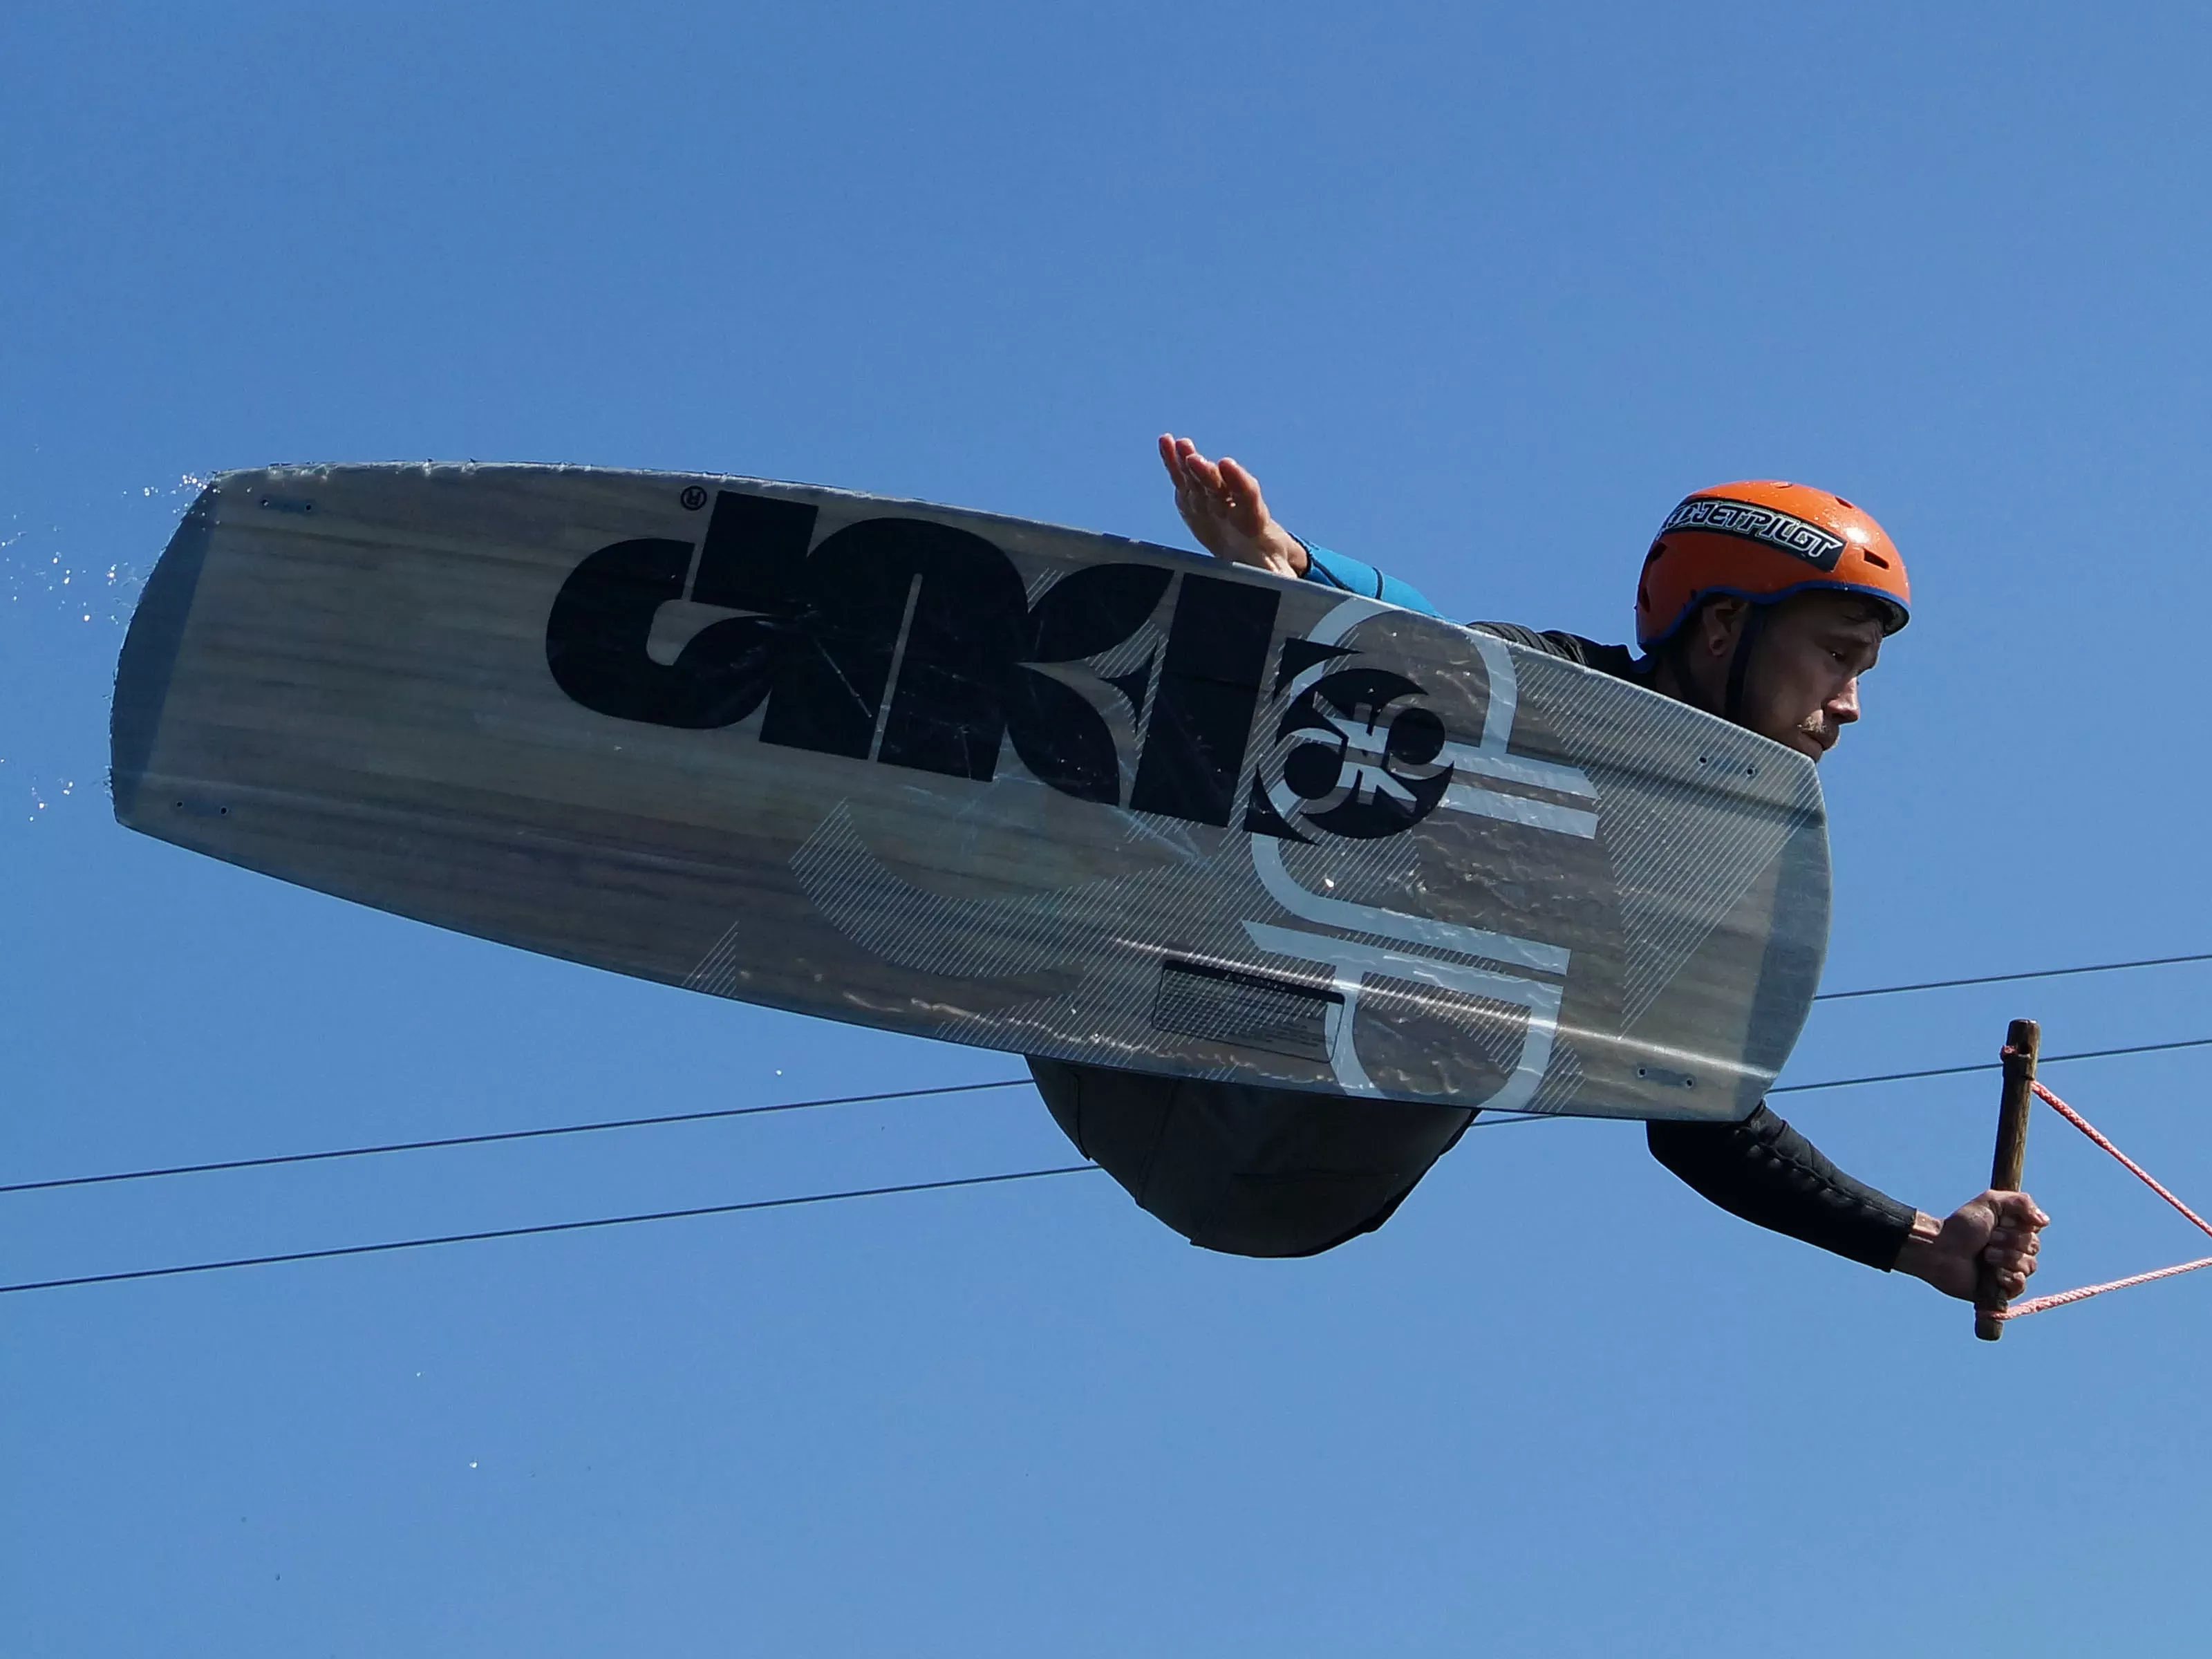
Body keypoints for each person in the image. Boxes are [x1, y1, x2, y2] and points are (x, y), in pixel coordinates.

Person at [1028, 435, 2048, 1308]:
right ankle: (1085, 857)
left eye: (1860, 672)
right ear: (1724, 628)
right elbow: (1435, 653)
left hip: (1295, 1171)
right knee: (1439, 731)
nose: (1851, 705)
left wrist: (1920, 1243)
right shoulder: (1554, 691)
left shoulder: (1709, 877)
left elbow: (1706, 1124)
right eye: (1836, 657)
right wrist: (1289, 566)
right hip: (1144, 1066)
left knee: (1507, 856)